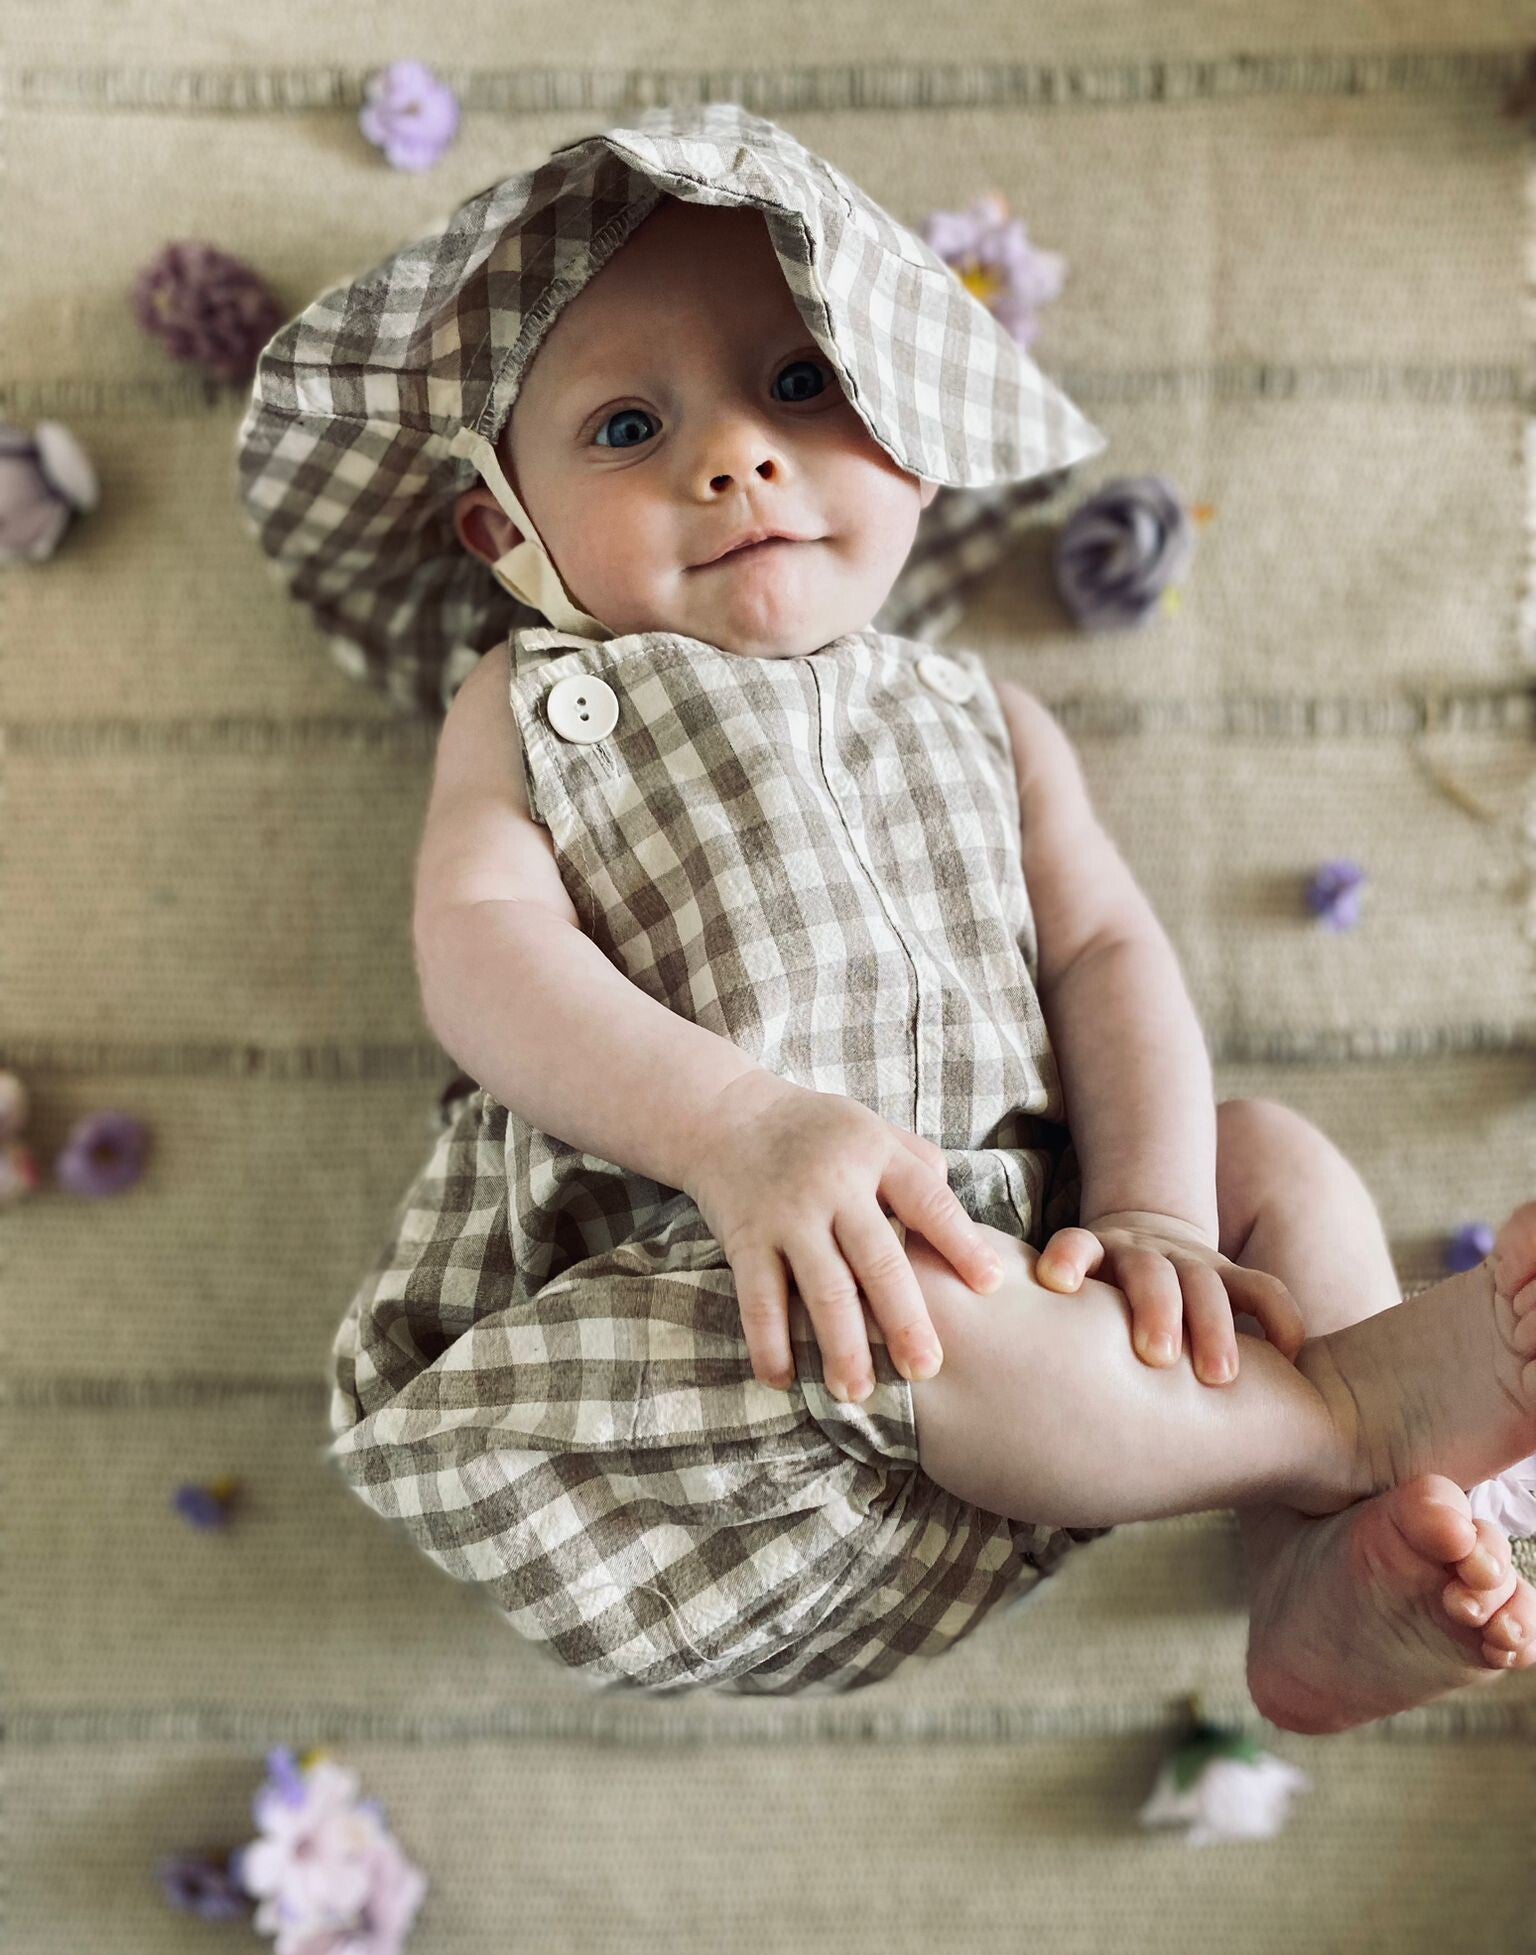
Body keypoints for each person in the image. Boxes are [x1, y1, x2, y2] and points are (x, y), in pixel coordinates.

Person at [237, 104, 1536, 1723]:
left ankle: (1310, 1570)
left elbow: (1106, 958)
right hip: (723, 1350)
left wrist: (1154, 1215)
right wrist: (739, 1133)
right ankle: (1347, 1416)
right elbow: (481, 954)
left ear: (914, 437)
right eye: (629, 430)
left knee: (1268, 1154)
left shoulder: (991, 722)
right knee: (932, 1290)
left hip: (1064, 1330)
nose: (732, 455)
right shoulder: (533, 702)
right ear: (508, 535)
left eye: (798, 386)